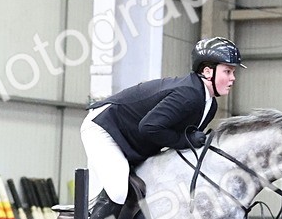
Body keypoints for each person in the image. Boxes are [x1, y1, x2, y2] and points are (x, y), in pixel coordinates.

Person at [80, 36, 244, 206]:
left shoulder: (210, 105)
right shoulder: (188, 94)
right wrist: (185, 140)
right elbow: (149, 127)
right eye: (228, 71)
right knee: (119, 192)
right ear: (208, 72)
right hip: (104, 127)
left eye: (233, 72)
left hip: (129, 138)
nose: (233, 78)